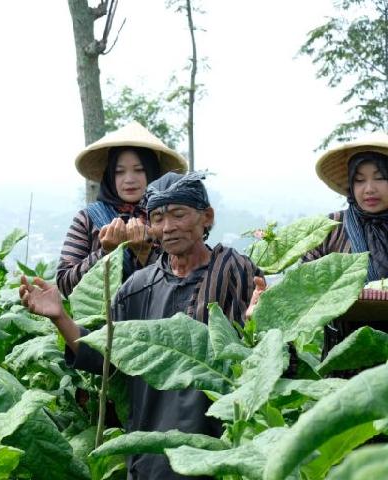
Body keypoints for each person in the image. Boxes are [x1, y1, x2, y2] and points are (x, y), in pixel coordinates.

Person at [20, 172, 264, 480]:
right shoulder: (139, 286)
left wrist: (261, 322)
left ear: (207, 218)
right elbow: (107, 356)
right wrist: (60, 317)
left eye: (179, 215)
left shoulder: (234, 270)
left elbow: (265, 359)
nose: (168, 227)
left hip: (221, 451)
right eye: (158, 218)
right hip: (152, 456)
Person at [57, 122, 187, 297]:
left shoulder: (169, 218)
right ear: (110, 176)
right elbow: (64, 285)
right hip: (102, 323)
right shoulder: (88, 219)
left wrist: (146, 253)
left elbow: (185, 283)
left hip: (160, 322)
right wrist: (106, 253)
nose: (129, 179)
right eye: (119, 172)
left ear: (152, 172)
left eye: (139, 170)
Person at [305, 132, 388, 281]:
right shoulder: (329, 228)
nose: (369, 189)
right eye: (359, 180)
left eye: (380, 177)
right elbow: (305, 286)